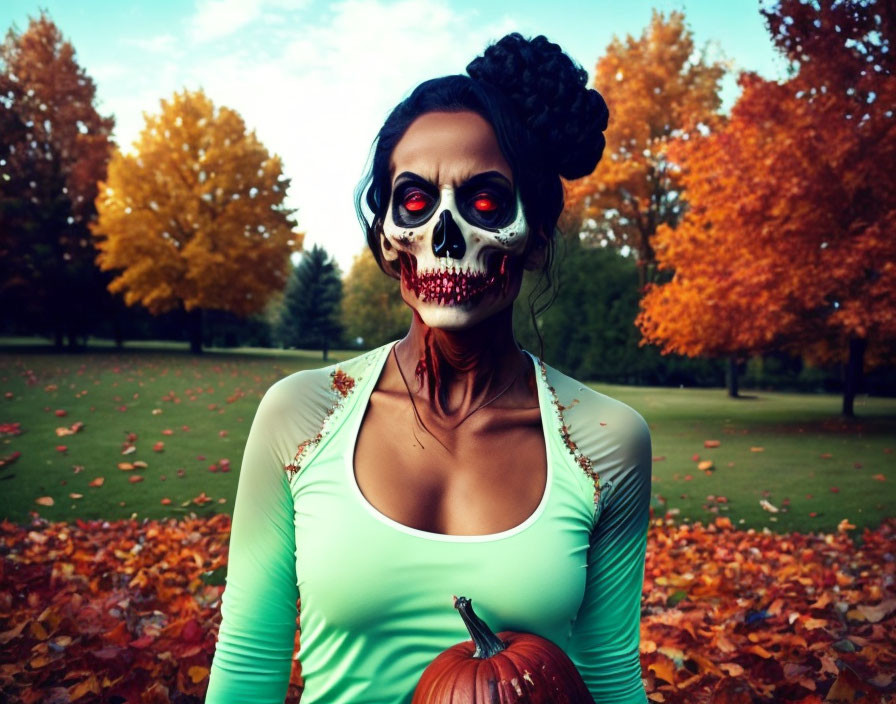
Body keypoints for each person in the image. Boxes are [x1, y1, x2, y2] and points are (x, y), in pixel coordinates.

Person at [206, 32, 651, 704]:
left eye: (484, 204)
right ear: (385, 237)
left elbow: (610, 676)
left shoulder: (606, 441)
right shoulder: (301, 416)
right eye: (414, 202)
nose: (445, 238)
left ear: (533, 237)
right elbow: (246, 668)